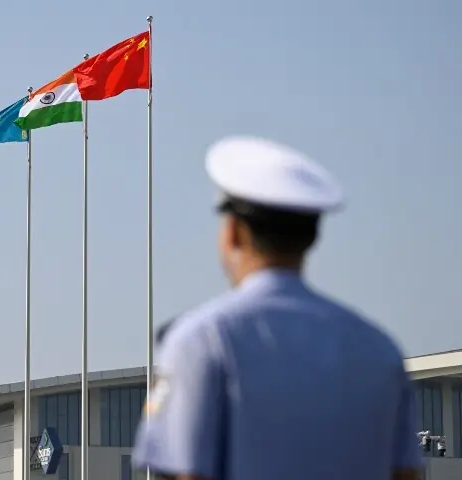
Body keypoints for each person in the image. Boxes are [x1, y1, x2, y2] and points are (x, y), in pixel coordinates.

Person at [132, 136, 422, 480]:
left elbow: (186, 474)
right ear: (313, 237)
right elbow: (405, 472)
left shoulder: (200, 342)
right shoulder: (379, 349)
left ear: (234, 232)